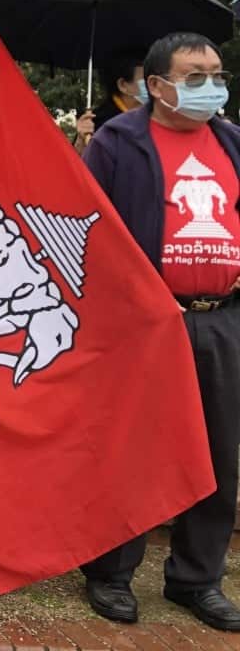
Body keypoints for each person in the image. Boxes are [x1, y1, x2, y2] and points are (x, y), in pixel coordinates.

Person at [79, 33, 240, 632]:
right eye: (194, 74)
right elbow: (88, 229)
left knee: (218, 454)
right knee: (130, 449)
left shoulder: (231, 142)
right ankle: (110, 571)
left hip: (220, 319)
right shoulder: (119, 143)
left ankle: (197, 578)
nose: (210, 85)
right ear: (156, 84)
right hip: (146, 324)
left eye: (217, 73)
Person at [73, 50, 149, 148]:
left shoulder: (159, 116)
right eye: (146, 79)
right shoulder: (96, 124)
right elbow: (74, 161)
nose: (154, 84)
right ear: (123, 85)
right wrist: (81, 142)